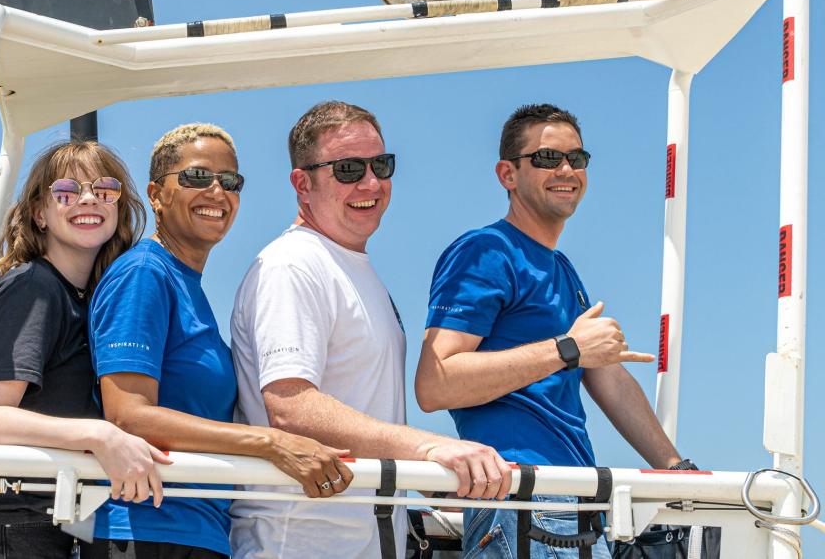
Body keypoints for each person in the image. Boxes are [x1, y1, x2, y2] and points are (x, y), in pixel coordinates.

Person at [229, 101, 512, 559]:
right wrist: (428, 447)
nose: (371, 183)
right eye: (347, 169)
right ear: (302, 183)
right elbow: (291, 405)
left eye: (381, 165)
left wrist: (423, 476)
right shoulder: (292, 265)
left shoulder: (354, 269)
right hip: (298, 546)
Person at [416, 103, 694, 559]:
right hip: (523, 499)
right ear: (508, 174)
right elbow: (435, 383)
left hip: (577, 502)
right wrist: (567, 348)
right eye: (547, 158)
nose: (566, 169)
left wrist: (677, 469)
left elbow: (606, 378)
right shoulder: (485, 250)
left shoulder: (562, 269)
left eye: (576, 158)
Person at [87, 123, 353, 559]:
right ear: (157, 194)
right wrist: (271, 443)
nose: (216, 192)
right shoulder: (144, 274)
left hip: (199, 533)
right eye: (196, 177)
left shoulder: (188, 286)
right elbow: (127, 416)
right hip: (149, 530)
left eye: (230, 182)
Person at [0, 141, 171, 559]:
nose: (87, 199)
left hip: (43, 525)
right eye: (66, 191)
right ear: (39, 214)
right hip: (4, 531)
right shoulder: (33, 288)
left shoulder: (83, 298)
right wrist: (100, 434)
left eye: (104, 190)